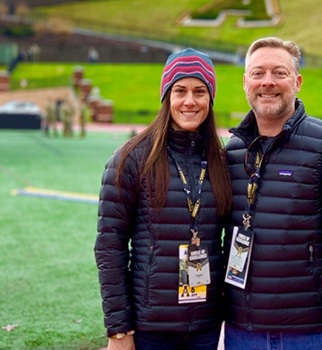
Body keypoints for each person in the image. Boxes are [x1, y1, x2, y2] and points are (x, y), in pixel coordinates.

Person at [224, 37, 322, 350]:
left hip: (311, 332)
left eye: (279, 73)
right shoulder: (233, 152)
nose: (267, 82)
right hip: (243, 331)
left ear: (297, 82)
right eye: (257, 73)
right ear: (244, 82)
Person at [94, 48, 232, 350]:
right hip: (149, 327)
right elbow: (110, 247)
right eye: (179, 90)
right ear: (166, 96)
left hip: (206, 327)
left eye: (200, 91)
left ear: (210, 98)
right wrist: (119, 330)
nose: (190, 101)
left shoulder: (221, 160)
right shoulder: (130, 159)